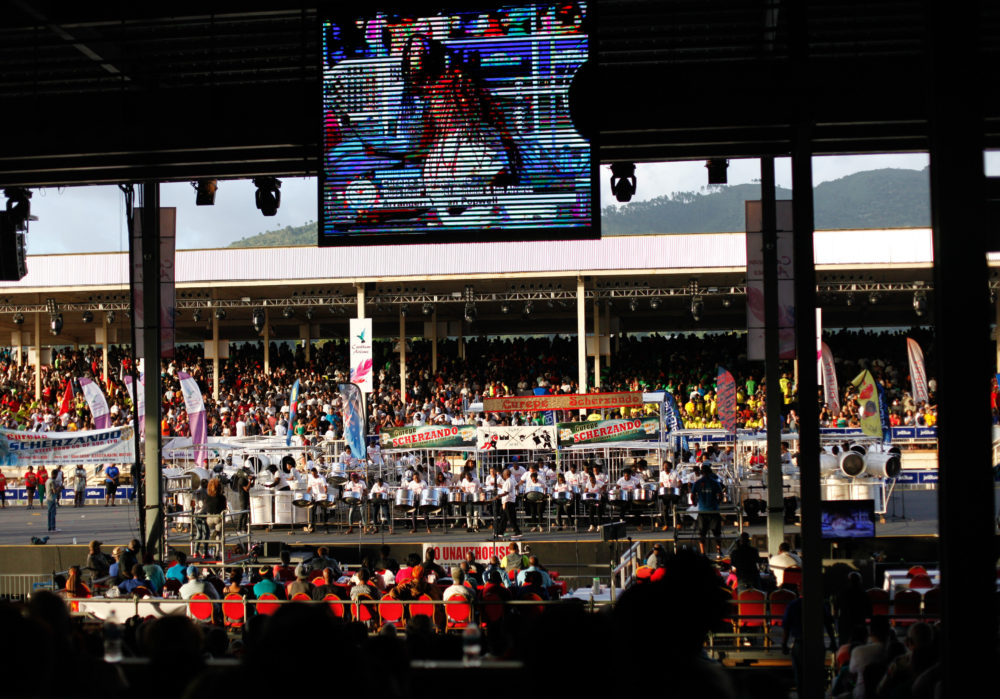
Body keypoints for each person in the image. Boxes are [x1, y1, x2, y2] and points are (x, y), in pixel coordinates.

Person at [691, 463, 725, 555]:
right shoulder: (715, 482)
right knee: (717, 533)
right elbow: (721, 495)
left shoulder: (697, 483)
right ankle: (719, 551)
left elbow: (692, 495)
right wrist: (718, 502)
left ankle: (703, 552)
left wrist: (694, 503)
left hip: (702, 511)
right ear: (710, 472)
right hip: (713, 510)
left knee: (702, 533)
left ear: (702, 473)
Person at [495, 468, 521, 537]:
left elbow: (506, 492)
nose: (502, 475)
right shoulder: (508, 481)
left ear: (506, 474)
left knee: (511, 518)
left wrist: (499, 496)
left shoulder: (509, 481)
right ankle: (500, 532)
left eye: (503, 474)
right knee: (504, 518)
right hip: (506, 502)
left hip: (508, 502)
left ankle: (518, 532)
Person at [305, 467, 327, 534]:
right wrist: (306, 494)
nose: (313, 476)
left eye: (314, 474)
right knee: (312, 512)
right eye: (312, 474)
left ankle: (325, 528)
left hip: (321, 496)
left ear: (317, 473)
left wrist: (325, 493)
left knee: (324, 512)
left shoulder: (321, 478)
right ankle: (313, 527)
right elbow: (309, 488)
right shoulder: (311, 479)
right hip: (314, 496)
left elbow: (325, 487)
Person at [658, 461, 680, 530]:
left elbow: (679, 482)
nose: (666, 469)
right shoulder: (662, 474)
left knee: (675, 508)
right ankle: (666, 524)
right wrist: (663, 488)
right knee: (665, 509)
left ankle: (678, 523)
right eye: (664, 467)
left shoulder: (675, 473)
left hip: (674, 492)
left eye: (667, 467)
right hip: (666, 493)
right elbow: (661, 483)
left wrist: (677, 487)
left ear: (670, 467)